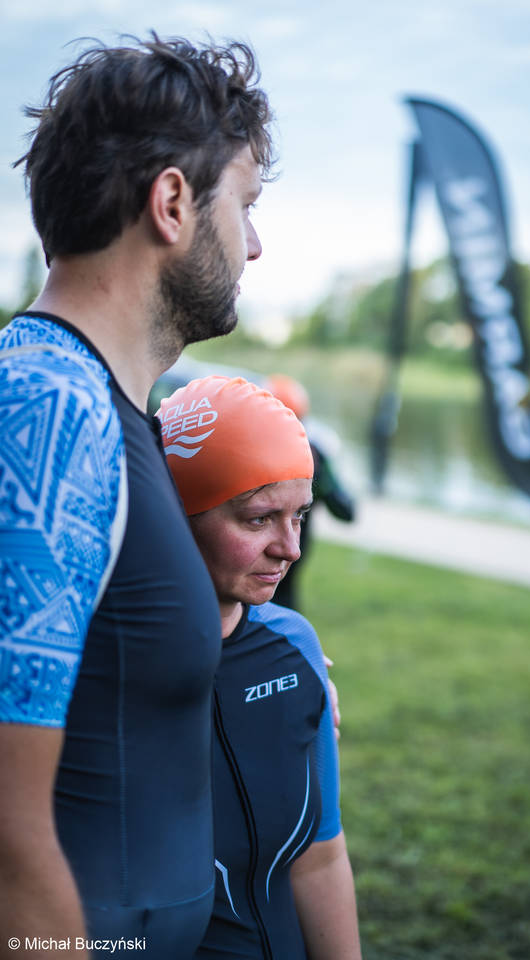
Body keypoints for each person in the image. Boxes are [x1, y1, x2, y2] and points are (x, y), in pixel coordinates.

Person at [0, 35, 273, 957]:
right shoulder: (49, 406)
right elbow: (5, 830)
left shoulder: (97, 403)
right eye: (244, 206)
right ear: (171, 204)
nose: (255, 245)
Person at [158, 375, 362, 960]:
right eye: (258, 519)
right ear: (177, 514)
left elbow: (320, 856)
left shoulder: (295, 646)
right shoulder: (107, 667)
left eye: (300, 515)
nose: (290, 547)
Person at [265, 374, 356, 611]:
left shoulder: (313, 455)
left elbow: (345, 510)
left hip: (286, 560)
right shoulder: (313, 453)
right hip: (291, 554)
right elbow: (345, 510)